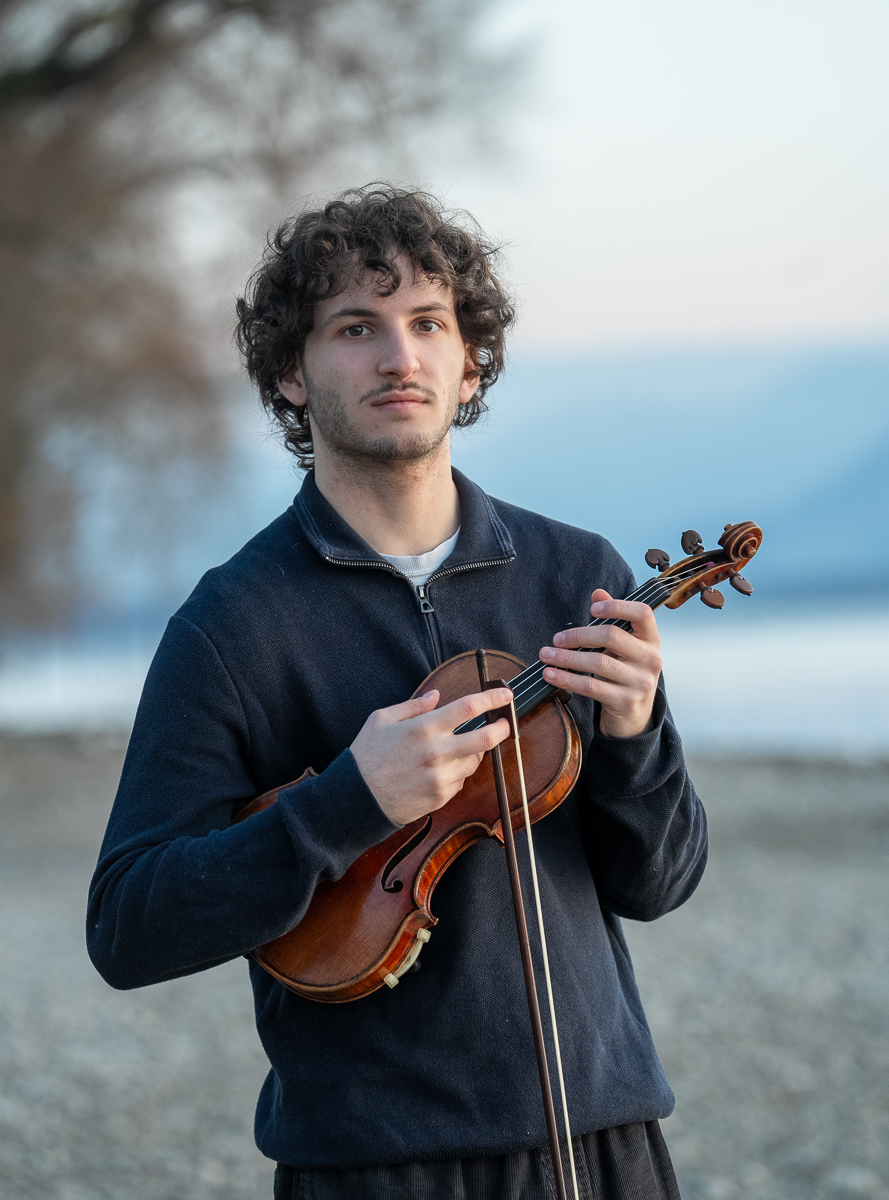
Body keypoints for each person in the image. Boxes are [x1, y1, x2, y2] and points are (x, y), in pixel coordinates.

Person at [87, 184, 707, 1200]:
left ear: (470, 367)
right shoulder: (233, 626)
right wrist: (346, 801)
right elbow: (128, 928)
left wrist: (635, 737)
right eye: (354, 328)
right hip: (367, 1165)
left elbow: (660, 882)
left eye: (429, 324)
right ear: (292, 373)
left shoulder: (574, 578)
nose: (399, 356)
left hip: (599, 1142)